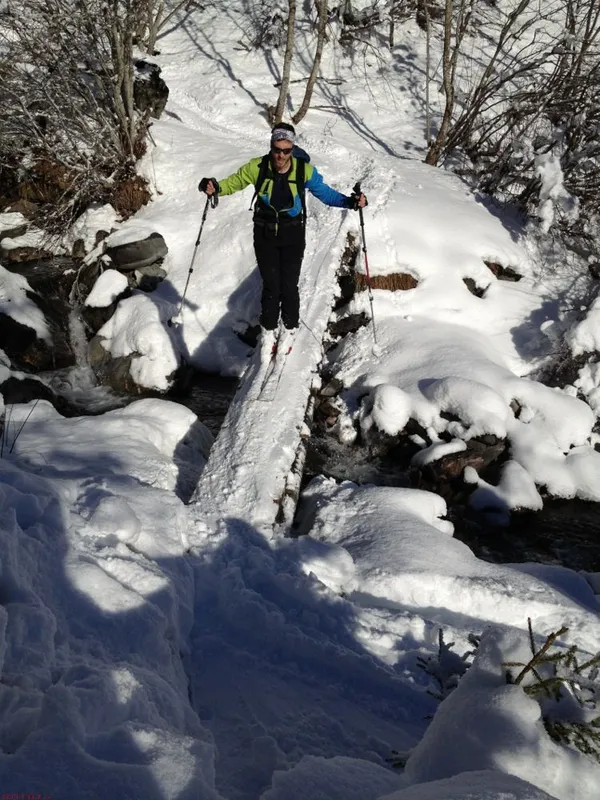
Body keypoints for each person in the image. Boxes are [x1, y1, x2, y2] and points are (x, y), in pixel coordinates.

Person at [199, 122, 367, 360]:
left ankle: (288, 329)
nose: (280, 155)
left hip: (292, 235)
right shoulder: (257, 167)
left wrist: (350, 202)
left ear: (292, 148)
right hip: (264, 234)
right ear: (271, 147)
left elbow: (325, 193)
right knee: (271, 286)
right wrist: (214, 187)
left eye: (286, 150)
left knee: (288, 286)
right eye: (277, 149)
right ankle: (268, 334)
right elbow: (234, 182)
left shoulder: (303, 170)